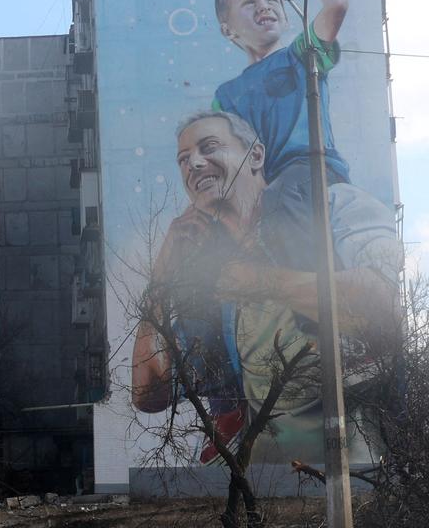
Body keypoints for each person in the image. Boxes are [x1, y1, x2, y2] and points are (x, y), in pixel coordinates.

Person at [133, 111, 400, 464]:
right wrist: (159, 280)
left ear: (256, 156)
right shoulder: (202, 278)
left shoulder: (330, 203)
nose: (194, 164)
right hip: (260, 473)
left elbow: (384, 308)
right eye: (183, 160)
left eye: (209, 147)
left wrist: (259, 282)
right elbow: (148, 395)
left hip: (359, 464)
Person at [211, 0, 350, 267]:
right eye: (249, 3)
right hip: (267, 185)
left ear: (286, 15)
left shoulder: (300, 56)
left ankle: (321, 303)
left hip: (309, 167)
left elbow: (336, 6)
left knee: (281, 198)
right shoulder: (226, 96)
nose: (264, 6)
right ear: (228, 30)